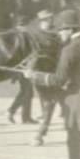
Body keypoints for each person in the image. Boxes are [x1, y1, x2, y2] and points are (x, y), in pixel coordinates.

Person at [25, 9, 80, 159]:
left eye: (61, 30)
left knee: (74, 140)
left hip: (75, 100)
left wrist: (34, 76)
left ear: (69, 30)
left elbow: (58, 80)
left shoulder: (69, 50)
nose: (60, 34)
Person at [30, 9, 63, 146]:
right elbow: (32, 54)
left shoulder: (57, 34)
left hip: (54, 71)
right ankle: (42, 129)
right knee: (47, 101)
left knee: (49, 102)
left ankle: (41, 132)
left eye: (49, 19)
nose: (47, 22)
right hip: (40, 72)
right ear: (40, 21)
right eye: (44, 20)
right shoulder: (34, 35)